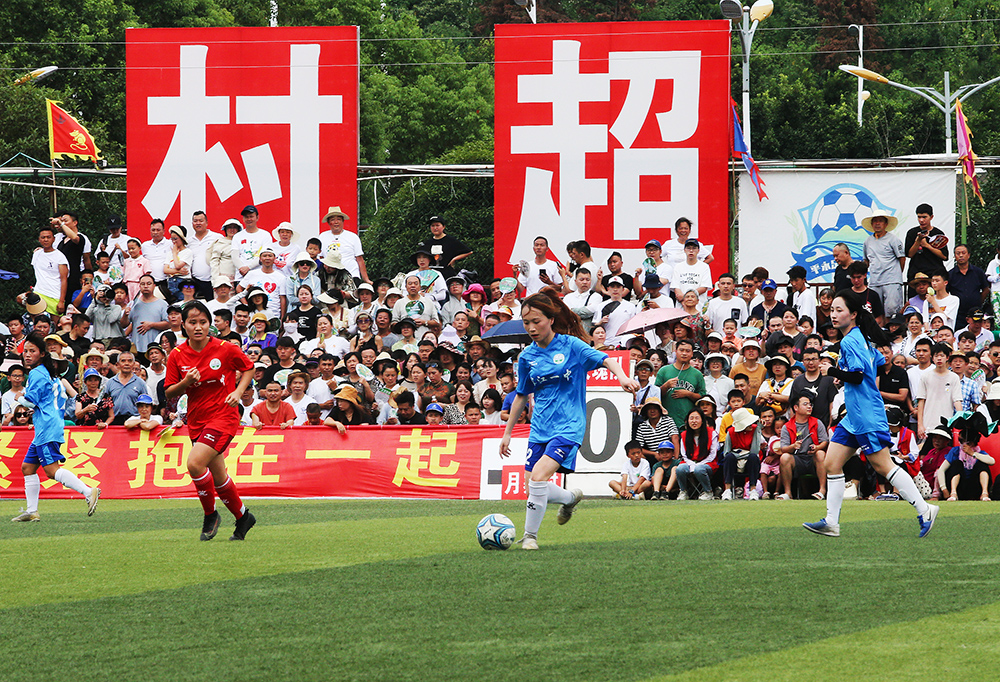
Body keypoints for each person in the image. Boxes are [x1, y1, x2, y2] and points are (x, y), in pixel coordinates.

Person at [500, 292, 638, 550]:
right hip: (540, 427)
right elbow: (521, 395)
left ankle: (530, 537)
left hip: (569, 426)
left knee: (538, 478)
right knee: (533, 486)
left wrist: (621, 376)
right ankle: (569, 498)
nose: (531, 327)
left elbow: (605, 358)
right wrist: (507, 433)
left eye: (536, 321)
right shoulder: (527, 357)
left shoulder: (571, 346)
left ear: (551, 319)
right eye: (526, 322)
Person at [802, 289, 938, 538]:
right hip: (854, 415)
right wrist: (841, 373)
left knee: (884, 466)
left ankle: (925, 508)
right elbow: (873, 362)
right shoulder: (859, 337)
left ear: (853, 314)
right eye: (832, 310)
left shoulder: (852, 340)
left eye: (839, 310)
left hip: (866, 414)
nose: (833, 314)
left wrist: (833, 371)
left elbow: (858, 374)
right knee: (832, 464)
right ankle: (832, 521)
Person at [164, 301, 256, 541]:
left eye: (203, 322)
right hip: (196, 419)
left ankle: (210, 514)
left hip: (223, 416)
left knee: (195, 464)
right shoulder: (176, 355)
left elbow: (248, 368)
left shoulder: (225, 348)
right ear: (183, 325)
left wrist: (238, 391)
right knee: (219, 477)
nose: (198, 327)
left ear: (210, 324)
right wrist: (185, 383)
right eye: (192, 323)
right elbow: (169, 393)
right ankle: (244, 517)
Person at [11, 333, 101, 522]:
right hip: (50, 423)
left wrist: (18, 398)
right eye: (25, 351)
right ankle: (32, 510)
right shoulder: (51, 375)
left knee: (51, 471)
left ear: (42, 354)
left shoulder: (37, 373)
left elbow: (28, 401)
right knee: (27, 467)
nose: (27, 354)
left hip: (46, 426)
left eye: (32, 351)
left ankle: (88, 491)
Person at [861, 210, 905, 316]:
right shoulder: (867, 241)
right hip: (874, 281)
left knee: (892, 310)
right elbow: (866, 260)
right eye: (875, 221)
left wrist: (897, 274)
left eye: (880, 221)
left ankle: (891, 332)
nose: (877, 223)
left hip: (891, 281)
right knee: (875, 311)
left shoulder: (893, 239)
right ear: (871, 224)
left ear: (886, 224)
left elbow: (902, 258)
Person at [319, 206, 370, 284]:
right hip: (330, 278)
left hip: (351, 275)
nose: (336, 222)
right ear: (329, 222)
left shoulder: (353, 237)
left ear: (343, 221)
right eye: (333, 220)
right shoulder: (323, 236)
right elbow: (321, 258)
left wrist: (366, 279)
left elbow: (359, 259)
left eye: (339, 219)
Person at [674, 409, 718, 500]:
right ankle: (683, 491)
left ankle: (708, 492)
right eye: (691, 418)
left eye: (697, 418)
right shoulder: (684, 435)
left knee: (699, 469)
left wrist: (698, 465)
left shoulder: (712, 433)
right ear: (687, 421)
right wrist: (692, 464)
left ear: (702, 420)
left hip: (707, 463)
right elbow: (684, 455)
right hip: (689, 461)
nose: (694, 421)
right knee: (680, 469)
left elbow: (712, 455)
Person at [720, 407, 762, 500]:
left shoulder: (755, 429)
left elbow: (755, 450)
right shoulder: (730, 432)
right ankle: (727, 490)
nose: (752, 424)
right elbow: (726, 452)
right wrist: (738, 455)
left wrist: (758, 430)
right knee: (729, 458)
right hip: (734, 461)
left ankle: (753, 490)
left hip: (749, 460)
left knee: (753, 457)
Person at [904, 203, 948, 287]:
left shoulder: (938, 233)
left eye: (924, 217)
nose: (921, 220)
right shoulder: (912, 233)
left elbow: (944, 256)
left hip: (934, 273)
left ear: (931, 217)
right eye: (919, 217)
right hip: (916, 273)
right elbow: (909, 254)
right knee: (915, 299)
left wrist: (927, 245)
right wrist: (918, 241)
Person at [418, 215, 472, 280]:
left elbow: (469, 252)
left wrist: (454, 259)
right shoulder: (427, 242)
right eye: (433, 226)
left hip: (447, 274)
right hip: (430, 275)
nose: (435, 228)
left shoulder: (451, 240)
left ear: (443, 227)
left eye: (437, 225)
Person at [948, 244, 990, 323]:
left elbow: (986, 289)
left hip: (976, 311)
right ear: (954, 256)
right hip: (958, 313)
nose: (961, 255)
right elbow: (946, 293)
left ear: (969, 255)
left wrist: (978, 301)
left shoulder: (978, 272)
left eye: (963, 253)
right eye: (958, 253)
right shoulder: (950, 274)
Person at [232, 205, 273, 282]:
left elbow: (265, 256)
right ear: (243, 219)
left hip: (259, 276)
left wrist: (249, 267)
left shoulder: (265, 235)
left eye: (251, 216)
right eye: (246, 217)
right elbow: (234, 257)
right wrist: (242, 268)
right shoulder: (237, 236)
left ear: (257, 218)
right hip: (241, 277)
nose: (249, 219)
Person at [187, 210, 219, 299]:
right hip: (196, 282)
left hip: (214, 281)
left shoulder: (217, 237)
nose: (198, 223)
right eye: (195, 221)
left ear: (206, 223)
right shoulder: (189, 242)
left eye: (201, 221)